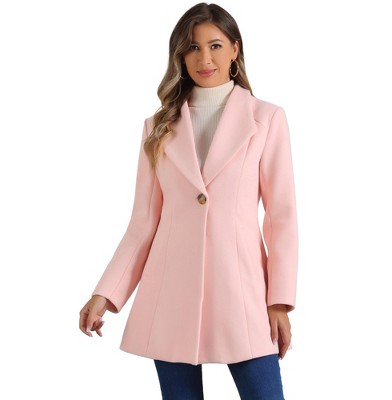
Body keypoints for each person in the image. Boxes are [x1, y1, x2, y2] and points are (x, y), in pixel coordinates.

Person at [79, 3, 298, 399]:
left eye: (215, 46)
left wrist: (279, 301)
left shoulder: (266, 119)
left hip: (242, 292)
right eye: (192, 48)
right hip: (171, 294)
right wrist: (106, 293)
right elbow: (143, 223)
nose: (204, 58)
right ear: (180, 56)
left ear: (235, 49)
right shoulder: (157, 127)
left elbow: (281, 217)